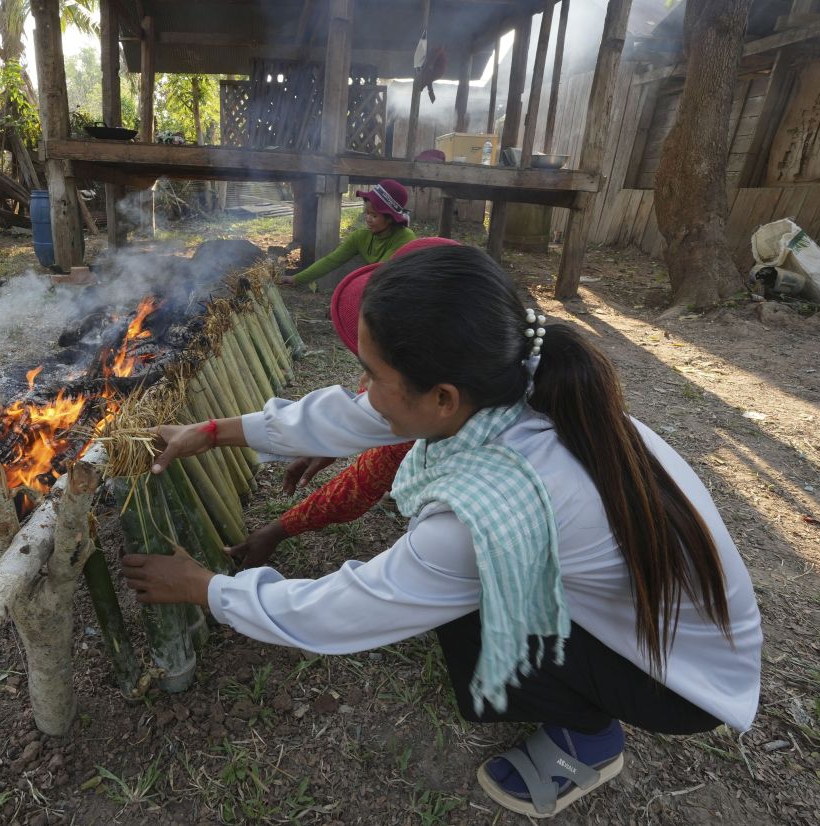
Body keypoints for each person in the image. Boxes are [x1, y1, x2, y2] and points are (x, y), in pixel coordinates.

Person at [122, 245, 763, 818]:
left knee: (464, 620)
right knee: (459, 599)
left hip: (681, 682)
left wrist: (205, 588)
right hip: (666, 620)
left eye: (372, 374)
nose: (362, 389)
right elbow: (354, 416)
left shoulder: (487, 511)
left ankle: (588, 742)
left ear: (443, 399)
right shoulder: (516, 377)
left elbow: (337, 613)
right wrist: (211, 431)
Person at [232, 237, 459, 569]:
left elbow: (360, 486)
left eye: (373, 373)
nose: (363, 386)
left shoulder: (457, 530)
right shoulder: (443, 386)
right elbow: (362, 417)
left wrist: (275, 531)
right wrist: (334, 443)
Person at [279, 179, 416, 290]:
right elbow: (331, 260)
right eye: (367, 213)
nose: (368, 219)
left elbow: (379, 272)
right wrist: (296, 279)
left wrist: (346, 301)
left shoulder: (405, 238)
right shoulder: (361, 236)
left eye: (374, 215)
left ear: (390, 218)